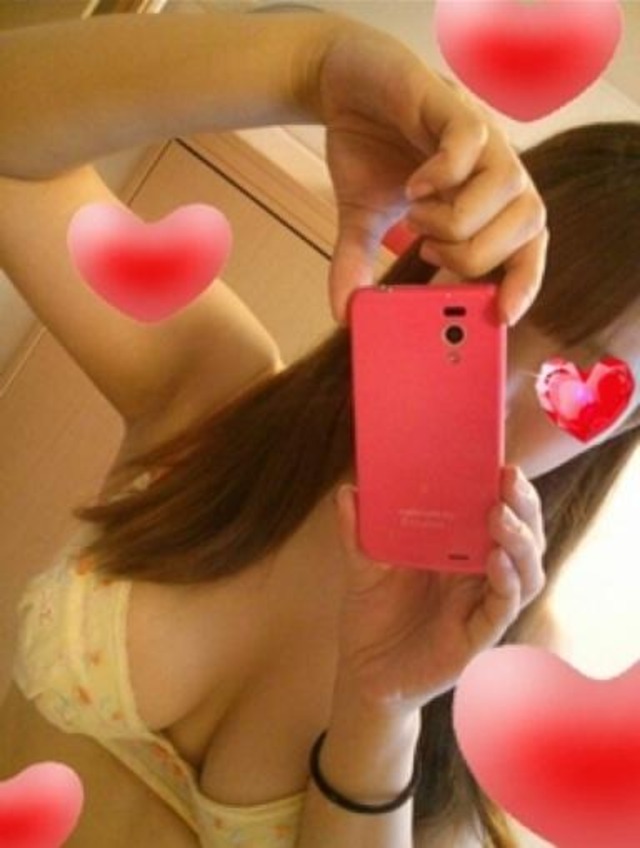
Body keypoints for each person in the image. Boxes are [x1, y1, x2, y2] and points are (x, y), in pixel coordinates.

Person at [0, 6, 638, 848]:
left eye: (580, 381)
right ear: (433, 266)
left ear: (618, 427)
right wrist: (311, 64)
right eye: (489, 304)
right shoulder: (214, 395)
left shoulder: (515, 687)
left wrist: (383, 714)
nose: (498, 387)